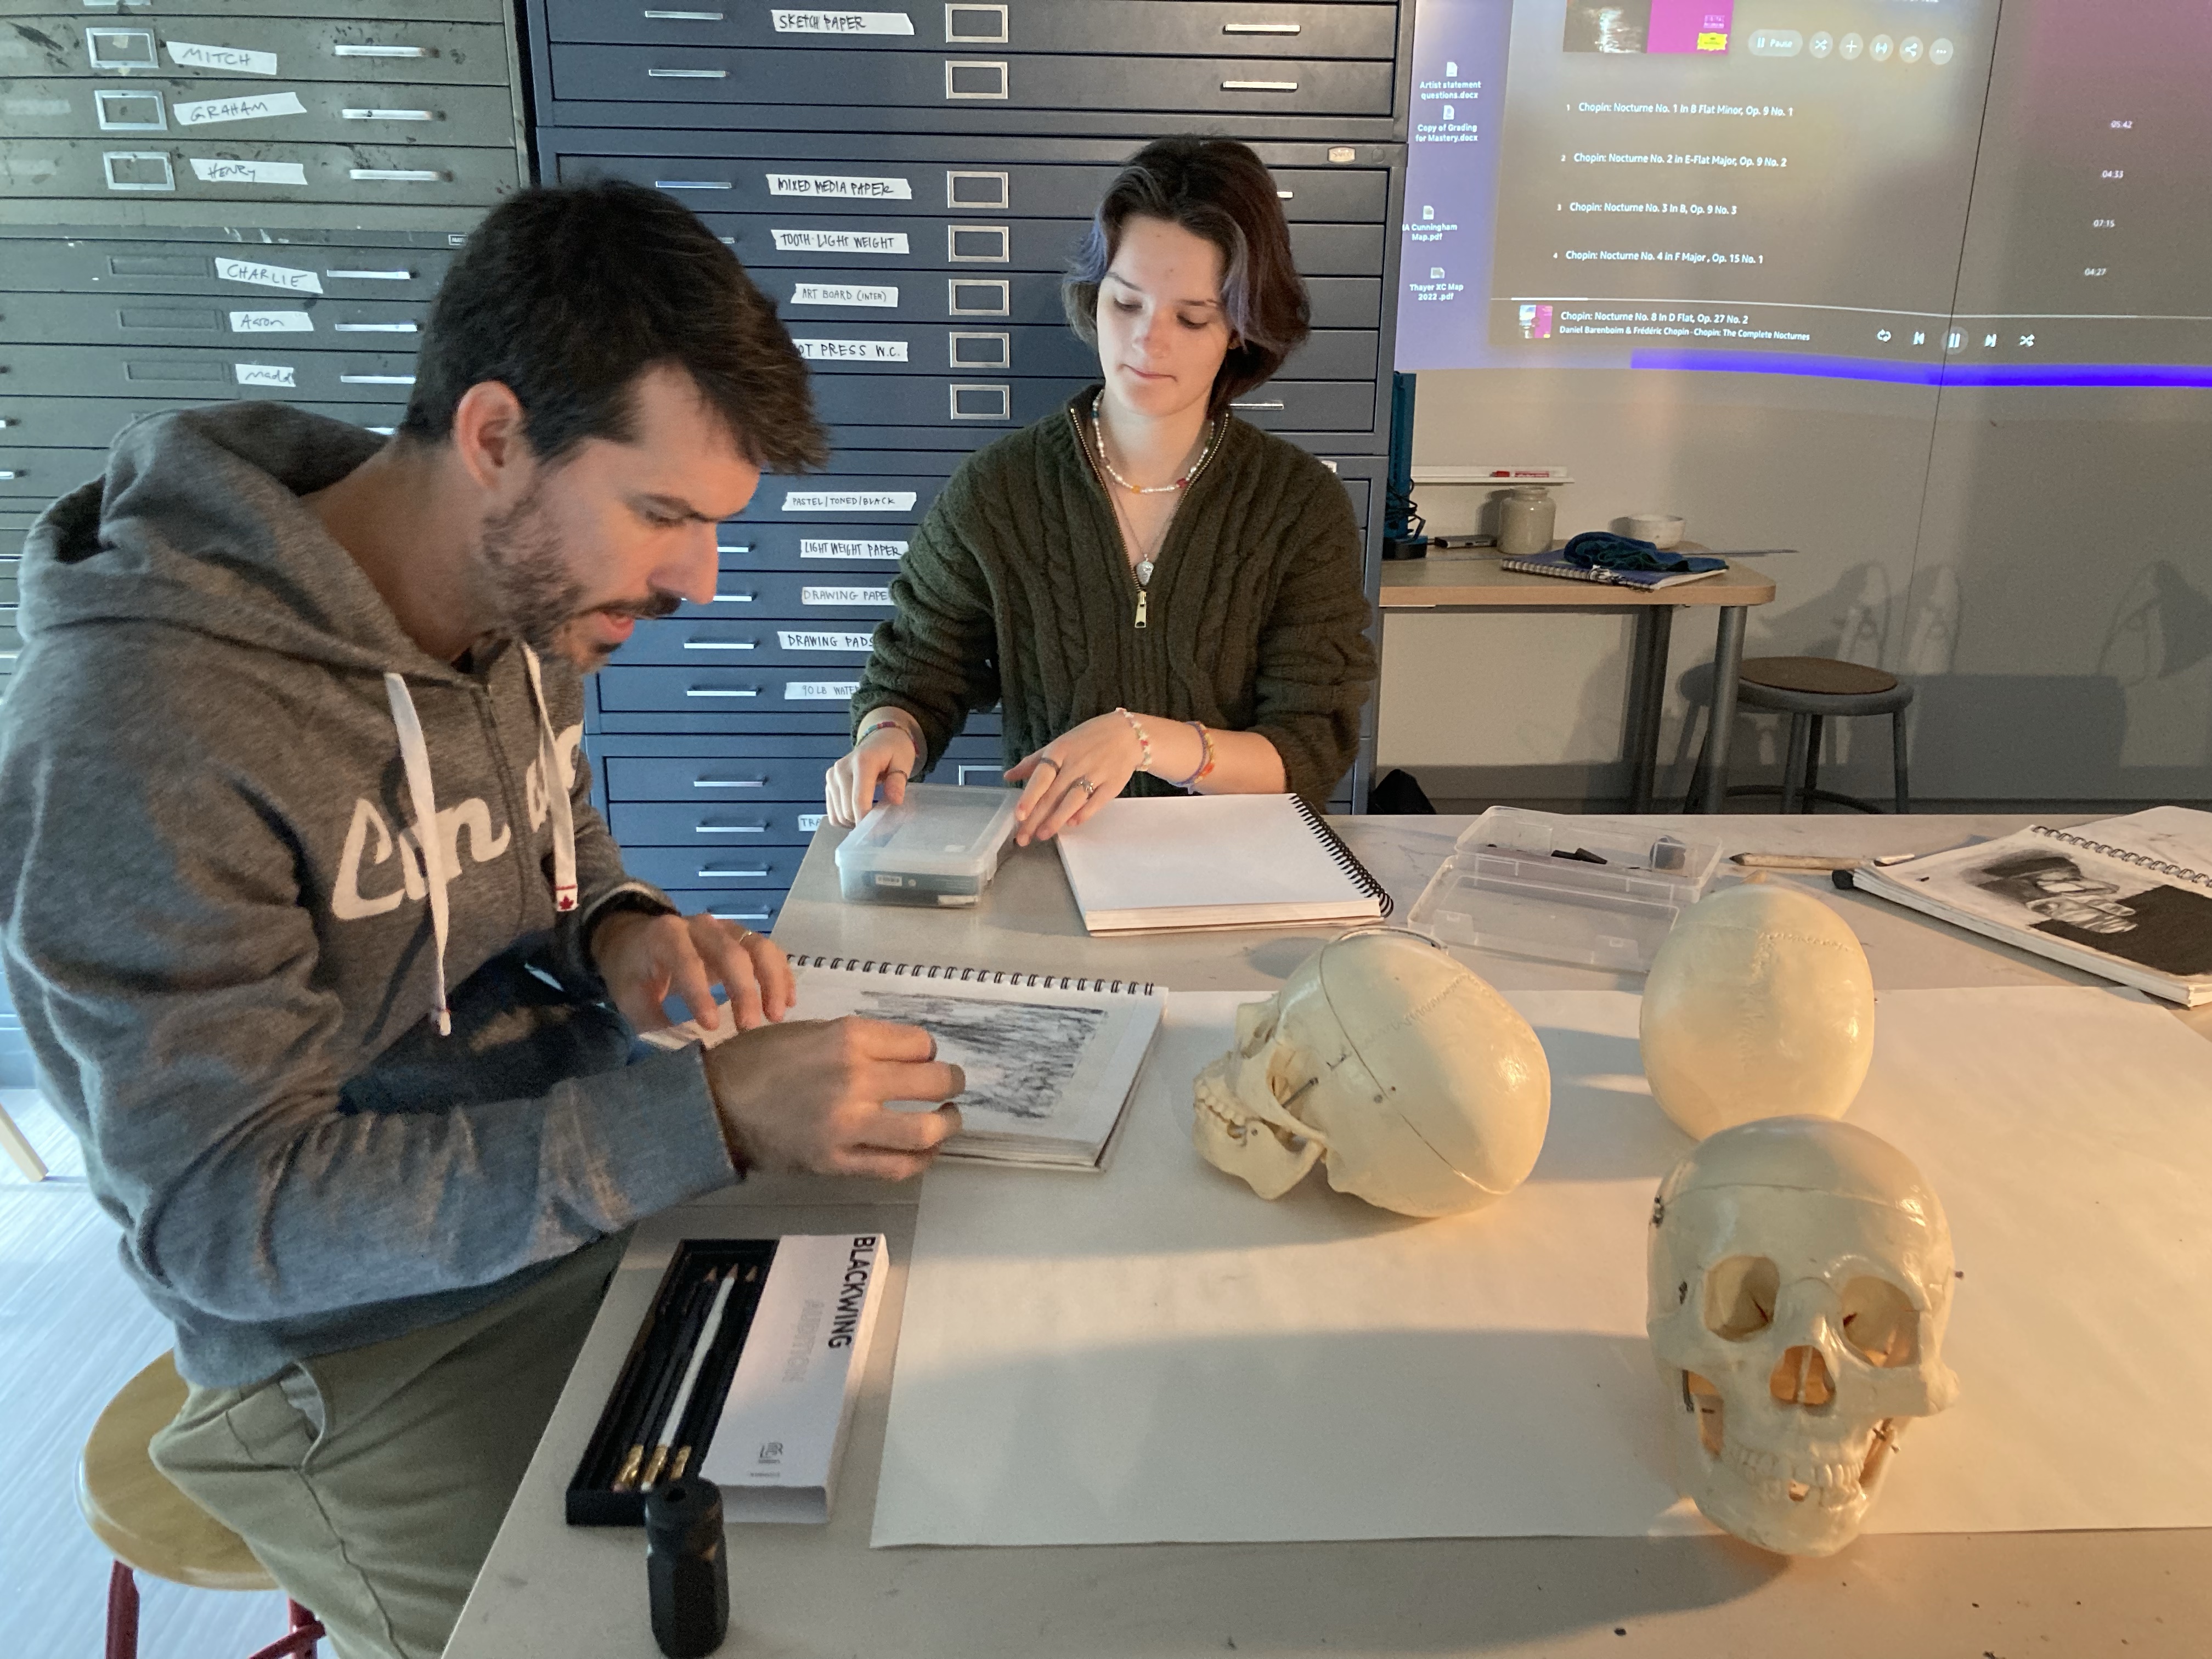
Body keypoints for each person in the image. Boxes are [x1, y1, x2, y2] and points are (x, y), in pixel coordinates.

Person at [0, 182, 963, 1659]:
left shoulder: (523, 605)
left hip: (561, 1204)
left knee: (928, 1381)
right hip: (351, 1349)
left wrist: (619, 931)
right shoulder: (139, 728)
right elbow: (229, 1222)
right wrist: (703, 1114)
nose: (700, 579)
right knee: (704, 1622)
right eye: (664, 515)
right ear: (497, 436)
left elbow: (549, 834)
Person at [824, 135, 1377, 842]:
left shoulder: (1298, 506)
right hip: (1056, 859)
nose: (1149, 341)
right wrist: (888, 735)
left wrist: (1146, 741)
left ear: (1240, 328)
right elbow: (915, 673)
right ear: (1095, 297)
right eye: (1126, 303)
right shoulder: (998, 490)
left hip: (1236, 869)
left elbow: (1310, 749)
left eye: (1191, 317)